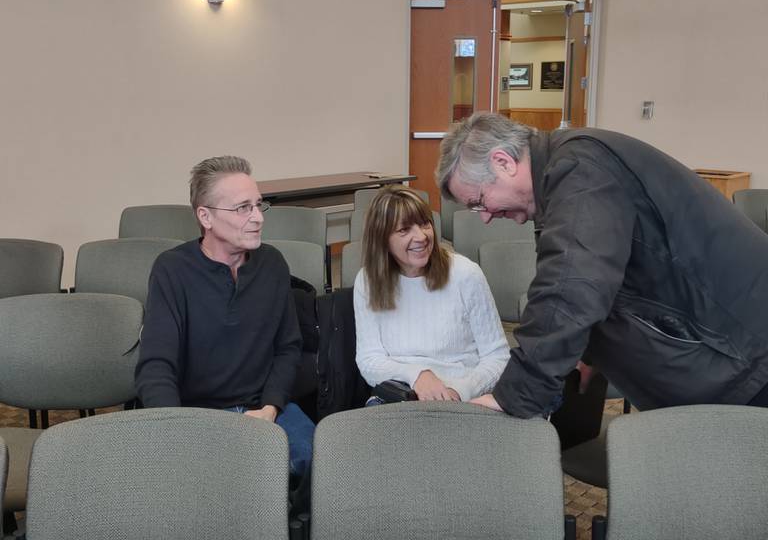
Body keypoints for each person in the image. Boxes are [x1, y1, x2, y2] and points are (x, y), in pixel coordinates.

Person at [437, 112, 768, 418]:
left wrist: (513, 396)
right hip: (730, 355)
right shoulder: (566, 171)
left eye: (479, 201)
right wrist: (589, 352)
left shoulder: (580, 169)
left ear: (503, 162)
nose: (485, 217)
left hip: (745, 355)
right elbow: (612, 276)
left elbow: (571, 286)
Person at [134, 155, 314, 508]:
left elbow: (288, 348)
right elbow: (156, 365)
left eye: (259, 205)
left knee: (321, 471)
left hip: (263, 409)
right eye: (243, 208)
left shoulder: (272, 264)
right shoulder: (172, 270)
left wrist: (270, 408)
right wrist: (178, 429)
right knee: (207, 494)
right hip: (196, 415)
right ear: (206, 216)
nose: (258, 217)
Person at [353, 185, 510, 403]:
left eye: (424, 224)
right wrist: (417, 375)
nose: (421, 236)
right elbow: (369, 360)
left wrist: (459, 391)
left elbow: (497, 357)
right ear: (382, 239)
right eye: (404, 230)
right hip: (399, 395)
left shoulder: (465, 274)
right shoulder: (367, 280)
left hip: (462, 395)